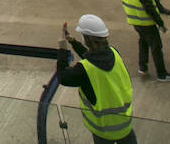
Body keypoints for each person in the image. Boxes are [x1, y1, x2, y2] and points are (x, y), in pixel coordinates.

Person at [57, 14, 136, 143]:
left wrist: (62, 50)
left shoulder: (84, 69)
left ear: (85, 38)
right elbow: (94, 58)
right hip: (124, 124)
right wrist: (73, 42)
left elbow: (63, 77)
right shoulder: (114, 53)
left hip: (103, 130)